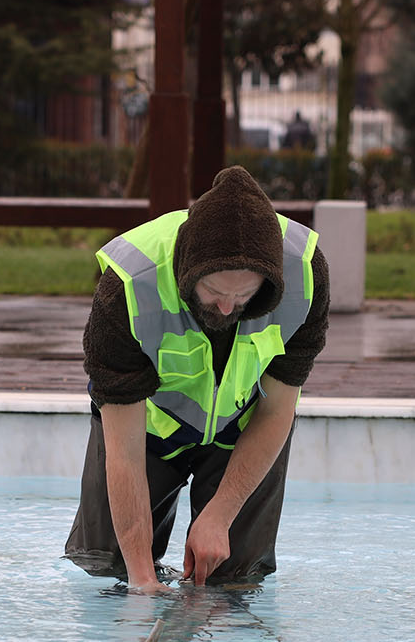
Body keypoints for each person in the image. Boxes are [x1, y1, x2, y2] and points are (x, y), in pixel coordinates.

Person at [65, 165, 330, 591]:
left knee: (235, 575)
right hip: (149, 428)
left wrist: (220, 515)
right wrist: (141, 581)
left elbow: (280, 408)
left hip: (242, 425)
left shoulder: (305, 273)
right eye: (215, 293)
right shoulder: (128, 286)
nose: (227, 308)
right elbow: (124, 451)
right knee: (107, 564)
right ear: (188, 270)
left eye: (244, 296)